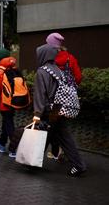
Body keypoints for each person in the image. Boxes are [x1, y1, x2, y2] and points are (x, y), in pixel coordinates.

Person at [32, 44, 86, 177]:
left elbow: (40, 94)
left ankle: (79, 165)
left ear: (43, 55)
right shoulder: (57, 69)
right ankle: (32, 163)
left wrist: (37, 114)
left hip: (49, 109)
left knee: (50, 134)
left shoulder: (42, 71)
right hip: (59, 107)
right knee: (56, 134)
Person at [46, 33, 82, 159]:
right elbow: (78, 77)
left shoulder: (49, 60)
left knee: (53, 125)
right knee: (58, 125)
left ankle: (57, 152)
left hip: (53, 100)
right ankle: (59, 151)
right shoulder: (70, 58)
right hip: (67, 98)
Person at [0, 48, 17, 158]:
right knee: (6, 121)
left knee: (9, 123)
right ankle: (1, 143)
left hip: (3, 102)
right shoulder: (14, 68)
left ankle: (15, 148)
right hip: (14, 101)